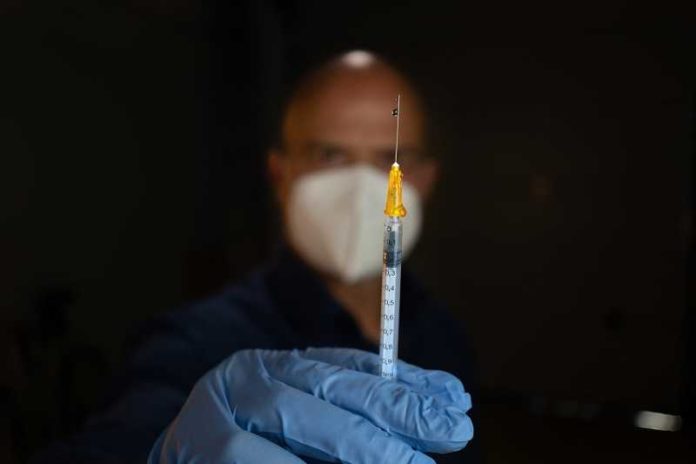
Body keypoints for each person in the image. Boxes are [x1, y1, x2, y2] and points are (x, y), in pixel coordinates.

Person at [33, 51, 477, 463]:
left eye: (388, 159)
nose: (363, 190)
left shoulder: (443, 333)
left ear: (426, 180)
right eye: (330, 155)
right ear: (280, 175)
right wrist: (160, 452)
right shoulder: (194, 342)